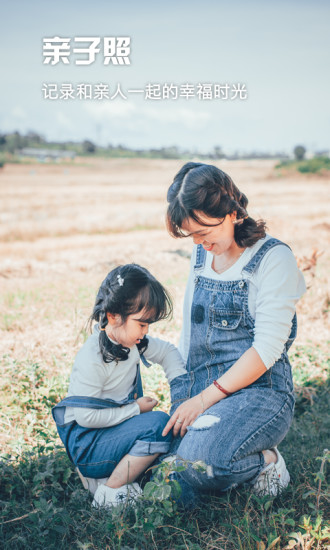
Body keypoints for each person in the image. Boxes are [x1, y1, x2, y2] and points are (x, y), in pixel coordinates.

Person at [162, 162, 306, 506]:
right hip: (202, 390)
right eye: (191, 234)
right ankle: (220, 464)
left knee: (197, 466)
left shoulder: (273, 259)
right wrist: (183, 394)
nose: (198, 242)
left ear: (231, 211)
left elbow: (267, 350)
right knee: (160, 463)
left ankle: (267, 461)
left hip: (258, 394)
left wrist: (202, 401)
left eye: (202, 231)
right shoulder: (201, 252)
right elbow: (189, 332)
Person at [52, 264, 186, 508]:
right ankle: (108, 494)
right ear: (114, 316)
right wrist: (135, 409)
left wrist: (181, 397)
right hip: (89, 445)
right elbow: (86, 417)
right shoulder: (92, 357)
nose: (145, 332)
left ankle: (117, 480)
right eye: (142, 324)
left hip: (114, 434)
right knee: (157, 424)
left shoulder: (133, 342)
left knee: (173, 437)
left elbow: (168, 352)